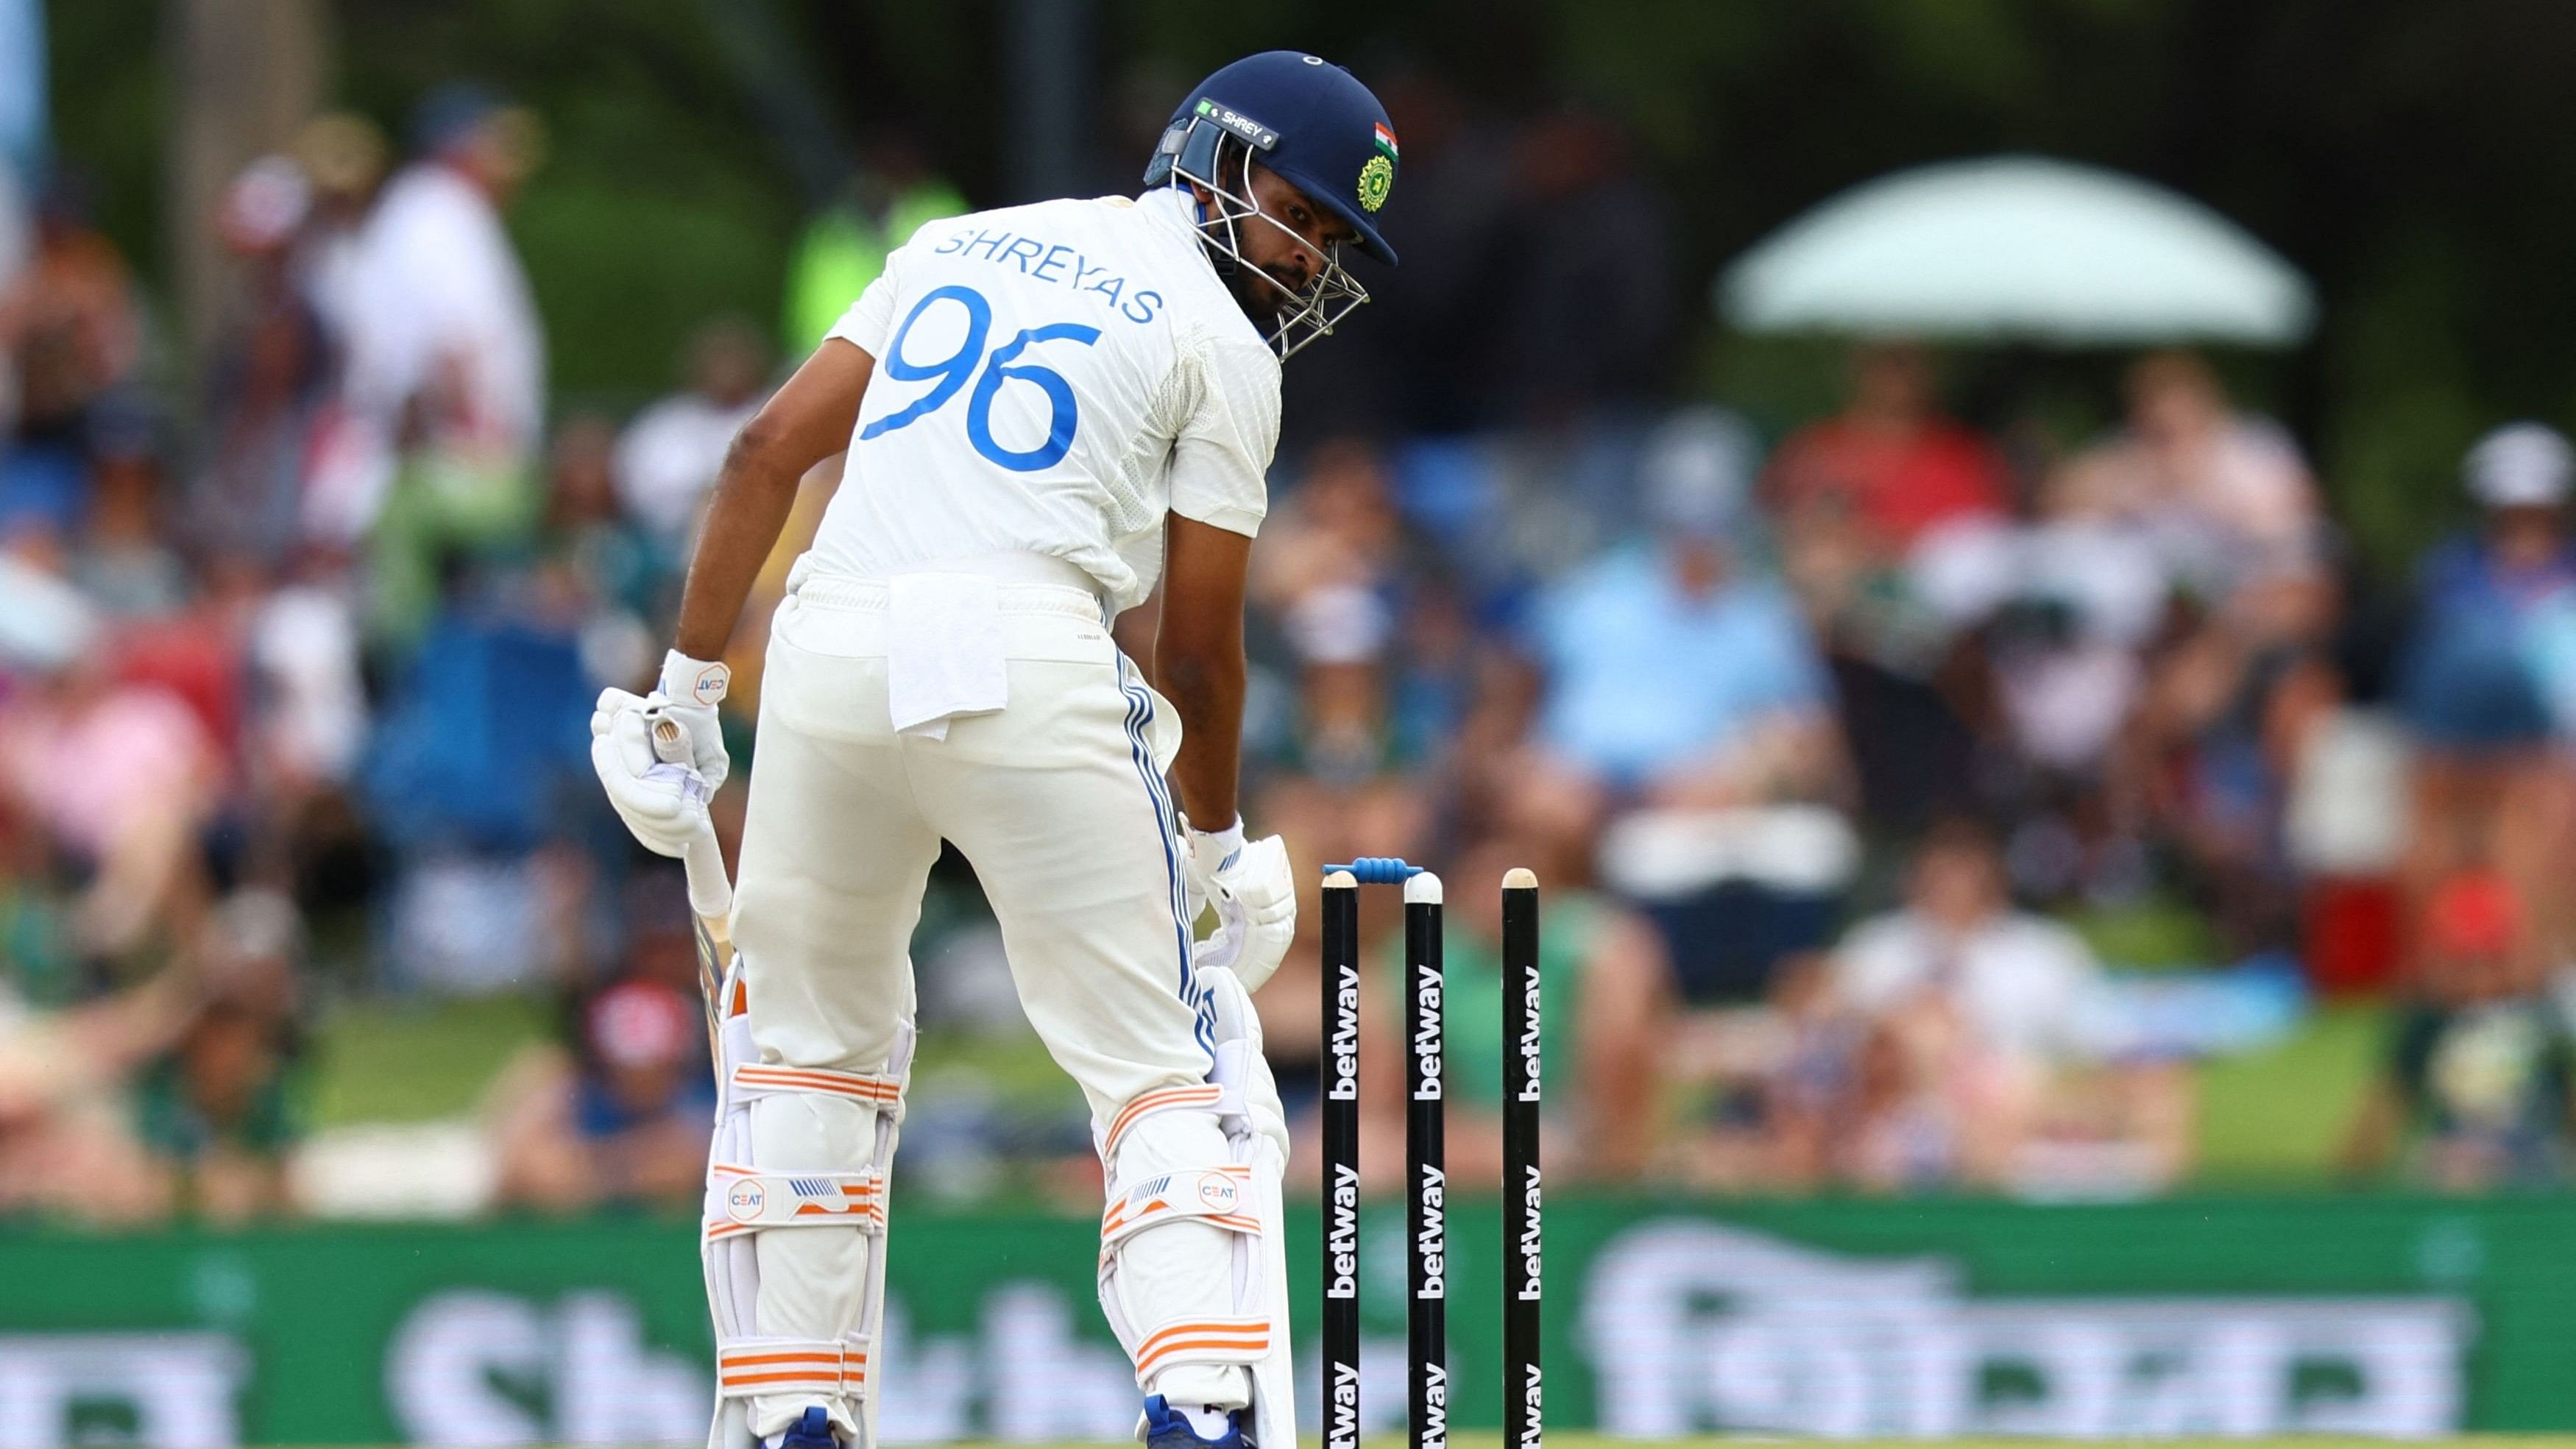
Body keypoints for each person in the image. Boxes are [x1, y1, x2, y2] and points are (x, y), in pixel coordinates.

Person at [587, 52, 1400, 1449]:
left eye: (1332, 241)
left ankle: (794, 1416)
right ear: (1213, 156)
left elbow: (762, 457)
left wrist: (683, 687)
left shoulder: (958, 243)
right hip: (1029, 656)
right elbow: (1198, 650)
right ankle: (1200, 1407)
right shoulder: (1221, 347)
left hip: (828, 655)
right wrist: (1211, 847)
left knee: (804, 1054)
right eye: (1299, 212)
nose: (1306, 256)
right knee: (1166, 1061)